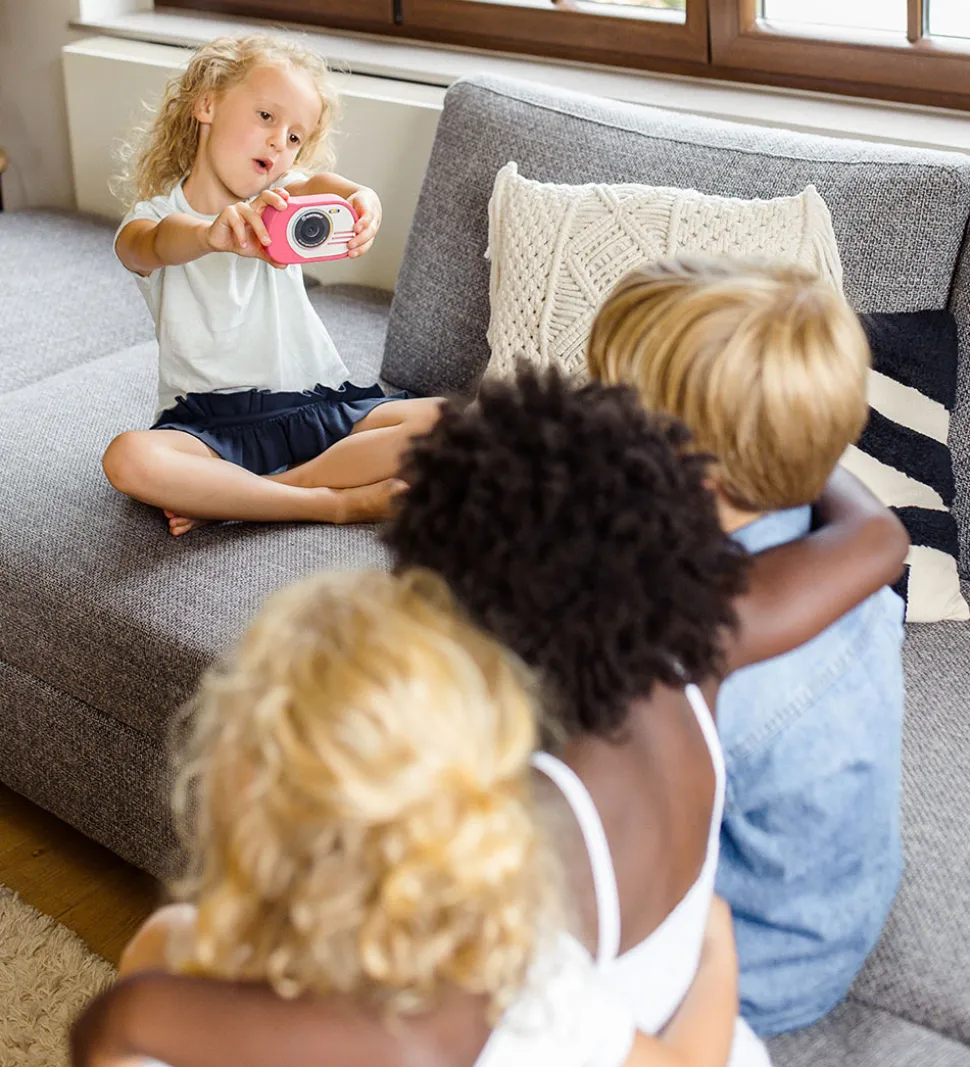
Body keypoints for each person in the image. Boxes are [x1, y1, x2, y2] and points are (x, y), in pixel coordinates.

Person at [73, 566, 743, 1067]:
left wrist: (157, 973)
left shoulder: (165, 1002)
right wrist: (718, 947)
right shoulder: (537, 987)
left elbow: (103, 1036)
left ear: (240, 804)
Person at [586, 257, 907, 1036]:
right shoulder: (837, 558)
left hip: (757, 961)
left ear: (696, 473)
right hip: (837, 901)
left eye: (613, 408)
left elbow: (619, 854)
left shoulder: (702, 673)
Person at [104, 34, 441, 536]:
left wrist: (362, 196)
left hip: (313, 407)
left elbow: (317, 184)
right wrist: (209, 235)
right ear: (207, 104)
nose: (280, 142)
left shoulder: (282, 201)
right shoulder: (152, 218)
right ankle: (334, 504)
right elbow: (149, 245)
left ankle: (248, 493)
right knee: (128, 457)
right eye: (266, 116)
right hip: (212, 429)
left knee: (453, 420)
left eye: (295, 137)